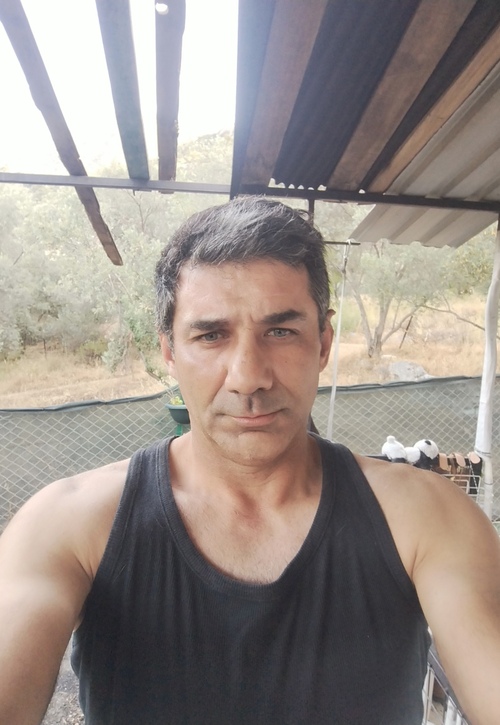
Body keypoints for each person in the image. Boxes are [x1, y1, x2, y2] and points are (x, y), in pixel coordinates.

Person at [1, 197, 500, 725]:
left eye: (280, 331)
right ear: (169, 351)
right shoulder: (69, 525)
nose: (248, 377)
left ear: (323, 342)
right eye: (210, 335)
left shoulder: (425, 517)